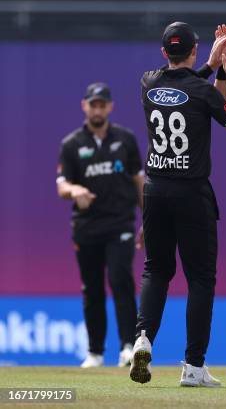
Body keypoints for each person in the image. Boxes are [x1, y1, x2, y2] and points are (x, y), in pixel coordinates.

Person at [129, 21, 226, 386]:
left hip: (155, 190)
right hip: (191, 193)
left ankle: (143, 336)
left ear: (165, 51)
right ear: (194, 50)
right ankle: (193, 366)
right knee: (200, 279)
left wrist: (210, 67)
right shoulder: (204, 92)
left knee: (156, 269)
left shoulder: (148, 82)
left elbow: (181, 86)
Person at [56, 82, 144, 368]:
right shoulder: (72, 144)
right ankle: (95, 352)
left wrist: (149, 219)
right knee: (91, 288)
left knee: (121, 280)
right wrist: (75, 192)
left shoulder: (125, 139)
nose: (97, 109)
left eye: (102, 104)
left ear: (110, 107)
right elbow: (61, 185)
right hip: (86, 226)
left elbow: (139, 181)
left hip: (120, 223)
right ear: (85, 106)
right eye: (92, 104)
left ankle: (128, 347)